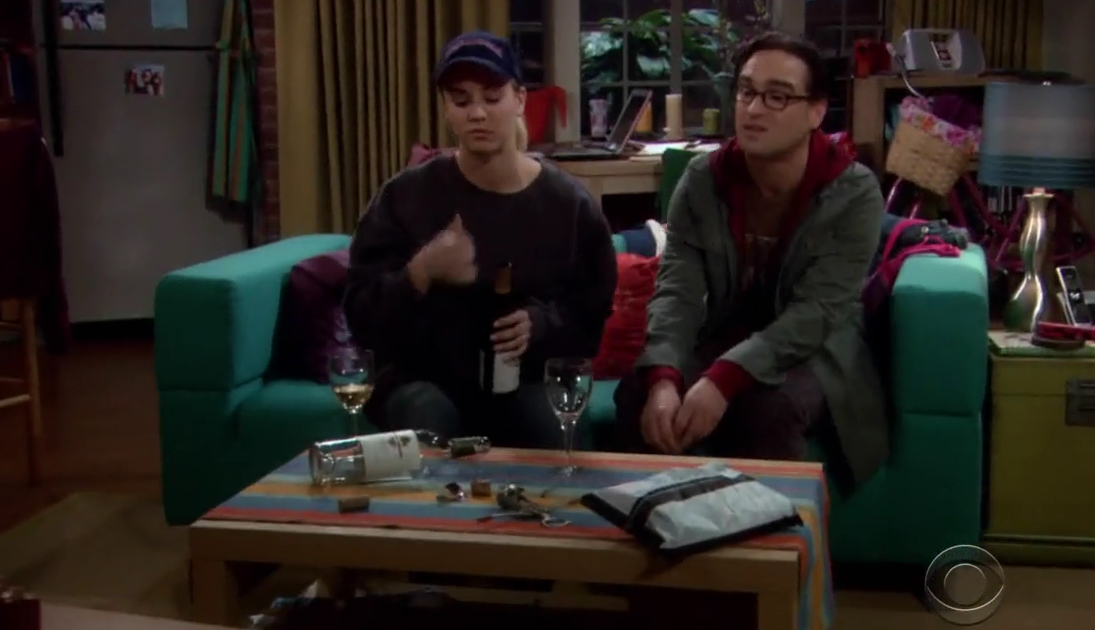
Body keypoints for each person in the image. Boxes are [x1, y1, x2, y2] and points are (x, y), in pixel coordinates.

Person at [614, 31, 890, 490]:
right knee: (638, 394)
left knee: (766, 410)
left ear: (816, 111)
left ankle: (769, 532)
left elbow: (817, 312)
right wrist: (663, 376)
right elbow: (678, 291)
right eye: (746, 91)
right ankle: (655, 519)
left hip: (816, 348)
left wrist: (723, 380)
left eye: (777, 96)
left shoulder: (853, 192)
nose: (754, 109)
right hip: (725, 333)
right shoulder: (704, 179)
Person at [345, 31, 618, 448]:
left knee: (553, 425)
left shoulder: (569, 206)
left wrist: (541, 325)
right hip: (423, 379)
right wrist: (419, 273)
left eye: (492, 98)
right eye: (461, 101)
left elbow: (591, 320)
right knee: (426, 413)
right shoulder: (405, 196)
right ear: (446, 108)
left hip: (527, 379)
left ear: (519, 100)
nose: (477, 113)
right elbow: (360, 317)